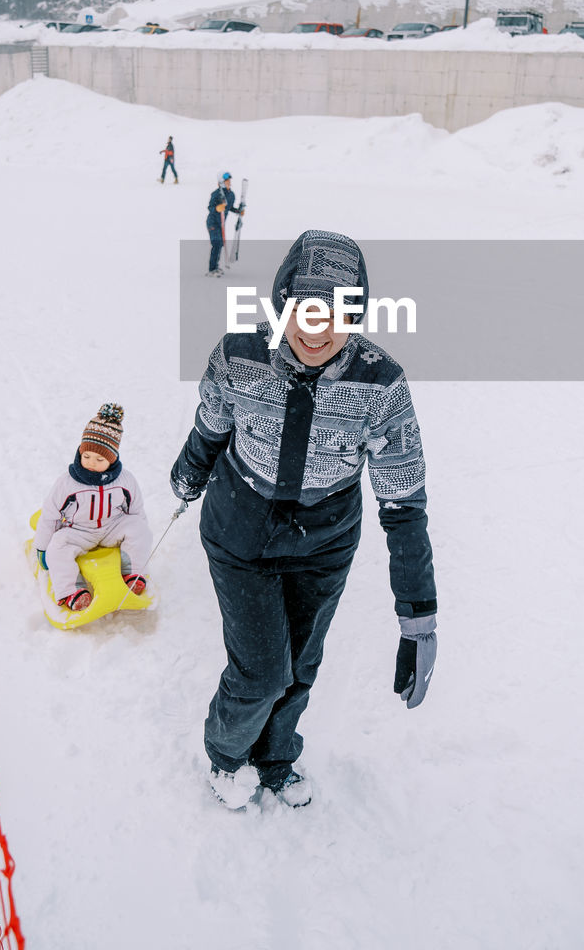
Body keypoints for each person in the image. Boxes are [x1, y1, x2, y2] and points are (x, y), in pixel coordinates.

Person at [171, 230, 437, 810]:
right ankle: (226, 756)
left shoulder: (380, 384)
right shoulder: (240, 354)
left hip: (324, 541)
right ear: (283, 304)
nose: (318, 328)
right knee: (263, 669)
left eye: (339, 313)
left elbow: (403, 501)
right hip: (239, 527)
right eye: (305, 309)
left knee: (300, 666)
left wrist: (418, 616)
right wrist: (189, 471)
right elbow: (212, 424)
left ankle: (274, 758)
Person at [34, 403, 152, 612]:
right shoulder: (67, 483)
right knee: (58, 546)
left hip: (111, 528)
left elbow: (136, 510)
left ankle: (132, 572)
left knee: (139, 527)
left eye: (100, 459)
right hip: (78, 531)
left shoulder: (125, 480)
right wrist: (42, 548)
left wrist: (138, 533)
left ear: (112, 458)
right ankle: (72, 591)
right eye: (86, 456)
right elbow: (49, 516)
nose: (91, 463)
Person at [205, 172, 244, 276]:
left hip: (221, 224)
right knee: (217, 243)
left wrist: (238, 211)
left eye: (229, 181)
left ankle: (215, 267)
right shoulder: (216, 194)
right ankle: (211, 269)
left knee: (220, 244)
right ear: (221, 183)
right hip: (212, 222)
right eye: (227, 181)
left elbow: (229, 207)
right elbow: (210, 208)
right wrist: (217, 208)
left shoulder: (231, 195)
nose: (229, 183)